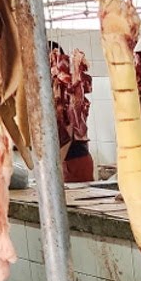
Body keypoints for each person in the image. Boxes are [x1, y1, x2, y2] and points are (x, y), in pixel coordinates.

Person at [49, 42, 94, 183]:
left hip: (74, 162)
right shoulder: (57, 88)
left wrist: (54, 169)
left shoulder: (67, 90)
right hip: (69, 161)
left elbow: (69, 130)